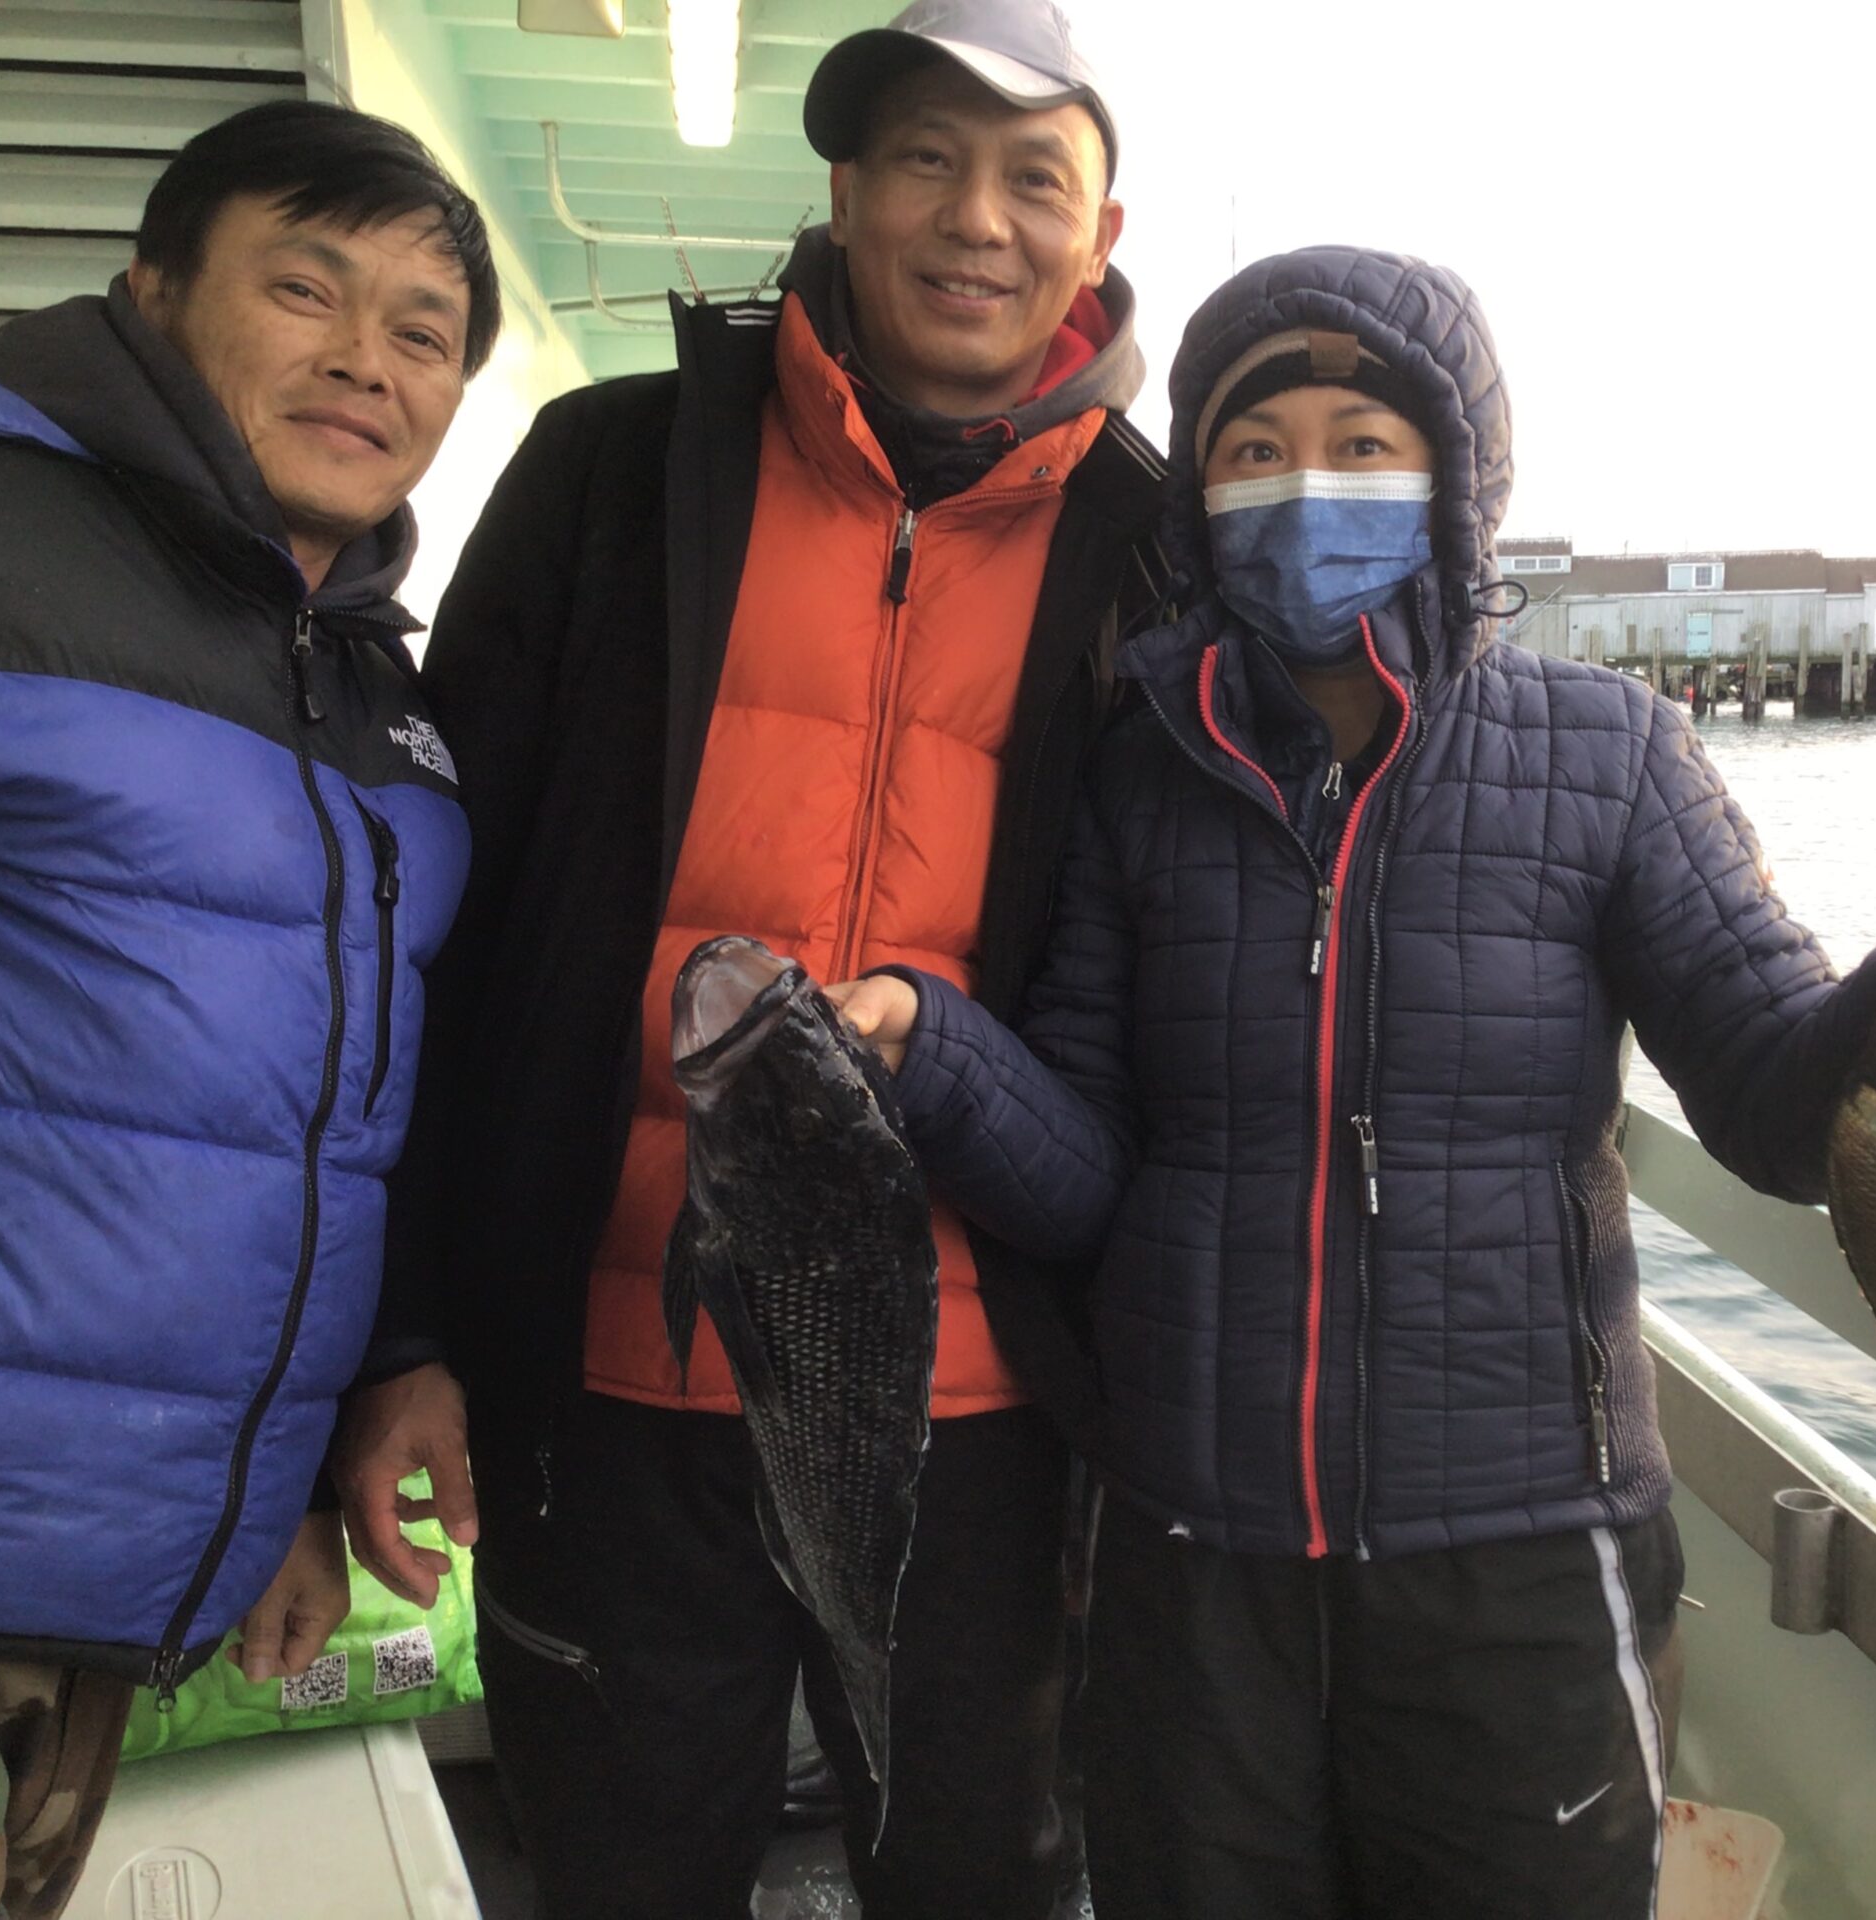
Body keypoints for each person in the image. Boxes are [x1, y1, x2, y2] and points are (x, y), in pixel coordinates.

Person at [831, 246, 1876, 1919]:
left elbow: (1770, 1100)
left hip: (1525, 1559)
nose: (1306, 488)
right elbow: (1083, 1176)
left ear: (1460, 477)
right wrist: (931, 1049)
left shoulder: (1609, 754)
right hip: (1194, 1560)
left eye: (1363, 444)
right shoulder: (1140, 772)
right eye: (1255, 448)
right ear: (1199, 488)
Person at [329, 2, 1168, 1913]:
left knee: (980, 1878)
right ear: (848, 192)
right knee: (624, 1872)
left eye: (1032, 178)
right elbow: (426, 929)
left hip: (982, 1419)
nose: (975, 218)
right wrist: (409, 1337)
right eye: (925, 158)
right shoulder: (611, 468)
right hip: (608, 1383)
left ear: (1097, 234)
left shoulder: (1156, 550)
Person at [0, 101, 495, 1920]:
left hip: (97, 1584)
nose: (365, 361)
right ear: (150, 294)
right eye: (306, 291)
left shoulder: (365, 683)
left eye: (422, 332)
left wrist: (285, 1478)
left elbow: (295, 1119)